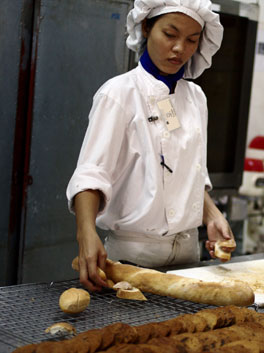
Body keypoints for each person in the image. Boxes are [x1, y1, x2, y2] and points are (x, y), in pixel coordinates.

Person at [66, 0, 234, 291]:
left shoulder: (194, 98)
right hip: (134, 257)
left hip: (187, 253)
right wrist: (86, 231)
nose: (180, 48)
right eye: (170, 35)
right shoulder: (119, 93)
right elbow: (92, 173)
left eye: (192, 40)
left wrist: (212, 214)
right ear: (146, 27)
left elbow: (184, 170)